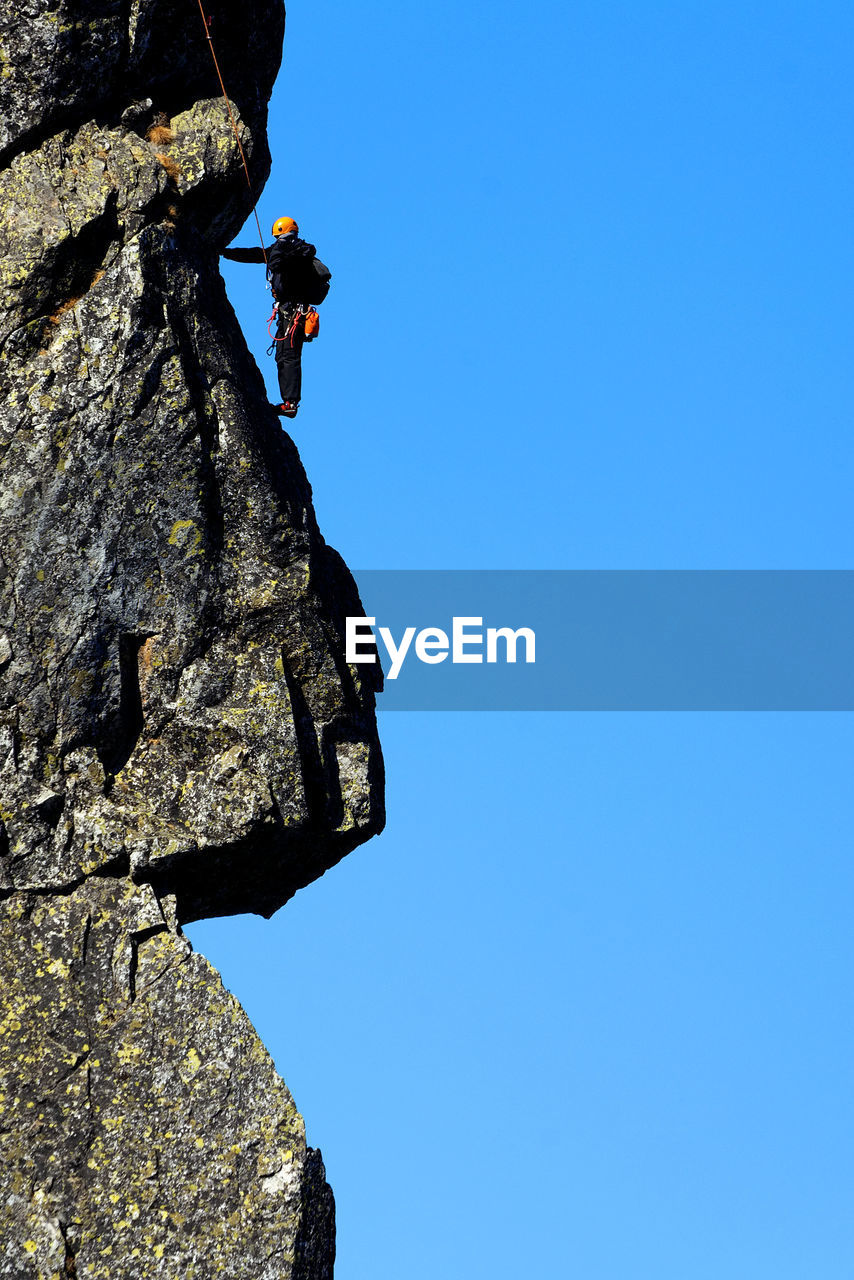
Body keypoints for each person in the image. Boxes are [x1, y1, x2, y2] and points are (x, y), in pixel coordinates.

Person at [222, 217, 329, 419]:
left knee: (289, 355)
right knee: (282, 354)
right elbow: (257, 254)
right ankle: (289, 402)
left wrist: (280, 245)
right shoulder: (287, 250)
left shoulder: (295, 250)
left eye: (279, 237)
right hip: (288, 312)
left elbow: (275, 262)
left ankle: (291, 403)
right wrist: (226, 253)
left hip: (295, 312)